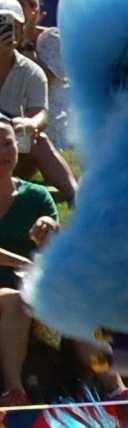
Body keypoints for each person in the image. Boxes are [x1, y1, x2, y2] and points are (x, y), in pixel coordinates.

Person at [0, 119, 60, 405]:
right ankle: (14, 389)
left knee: (82, 298)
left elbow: (56, 249)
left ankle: (111, 384)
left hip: (34, 286)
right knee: (17, 302)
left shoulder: (37, 195)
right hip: (8, 290)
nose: (3, 152)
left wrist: (49, 227)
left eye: (8, 143)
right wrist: (22, 262)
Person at [0, 0, 75, 205]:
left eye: (12, 25)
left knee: (38, 139)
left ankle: (74, 195)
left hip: (13, 151)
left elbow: (40, 114)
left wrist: (30, 123)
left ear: (22, 29)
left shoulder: (33, 72)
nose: (7, 31)